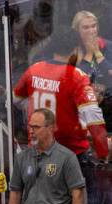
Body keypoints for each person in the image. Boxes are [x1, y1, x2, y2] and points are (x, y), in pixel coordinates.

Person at [13, 29, 109, 192]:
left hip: (37, 152)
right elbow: (94, 120)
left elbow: (15, 99)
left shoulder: (34, 69)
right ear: (76, 49)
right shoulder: (76, 76)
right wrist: (103, 152)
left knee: (42, 203)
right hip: (71, 155)